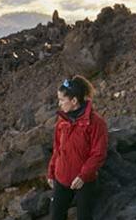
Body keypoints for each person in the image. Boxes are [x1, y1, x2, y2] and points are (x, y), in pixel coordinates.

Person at [47, 76, 108, 220]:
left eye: (62, 100)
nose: (59, 104)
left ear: (74, 101)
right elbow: (57, 148)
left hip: (84, 182)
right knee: (55, 216)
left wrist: (83, 176)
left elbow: (98, 154)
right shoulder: (62, 120)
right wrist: (51, 171)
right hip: (61, 177)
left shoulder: (96, 123)